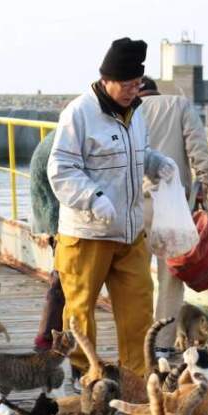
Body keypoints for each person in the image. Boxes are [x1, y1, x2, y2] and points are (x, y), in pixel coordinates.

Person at [48, 37, 176, 374]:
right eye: (127, 84)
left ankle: (136, 381)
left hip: (130, 232)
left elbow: (136, 154)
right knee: (79, 312)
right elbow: (60, 169)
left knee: (139, 309)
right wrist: (93, 198)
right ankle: (79, 378)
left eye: (137, 84)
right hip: (87, 233)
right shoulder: (78, 113)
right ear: (107, 79)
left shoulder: (137, 114)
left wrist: (154, 163)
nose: (133, 90)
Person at [135, 77, 208, 356]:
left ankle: (137, 342)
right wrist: (204, 180)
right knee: (170, 277)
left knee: (135, 274)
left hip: (135, 203)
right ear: (157, 89)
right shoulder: (178, 105)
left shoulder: (128, 109)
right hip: (173, 204)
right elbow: (198, 146)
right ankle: (162, 346)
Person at [29, 131, 65, 351]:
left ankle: (47, 336)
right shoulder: (60, 143)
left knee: (60, 280)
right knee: (61, 281)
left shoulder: (52, 138)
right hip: (58, 221)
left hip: (49, 218)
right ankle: (47, 337)